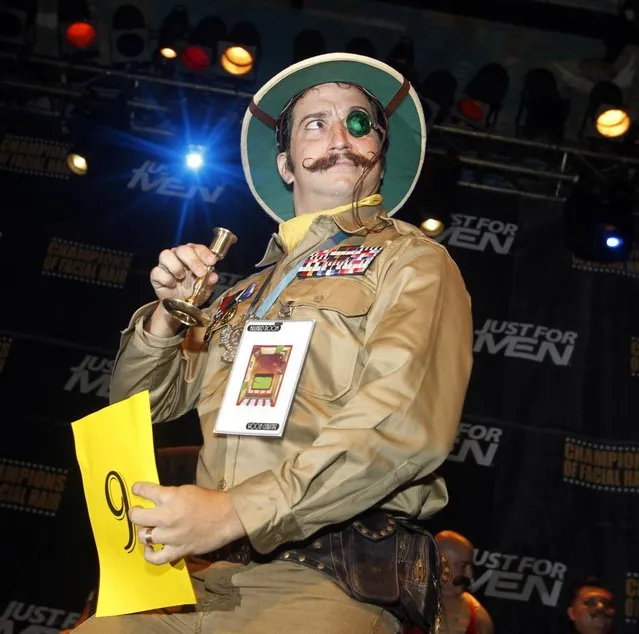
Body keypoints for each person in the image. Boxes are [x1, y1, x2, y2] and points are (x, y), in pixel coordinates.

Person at [75, 52, 473, 633]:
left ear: (380, 156)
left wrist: (235, 511)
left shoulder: (412, 263)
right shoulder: (246, 293)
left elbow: (402, 426)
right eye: (316, 123)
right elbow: (139, 404)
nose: (341, 135)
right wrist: (166, 319)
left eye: (359, 122)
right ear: (286, 163)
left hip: (325, 584)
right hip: (200, 578)